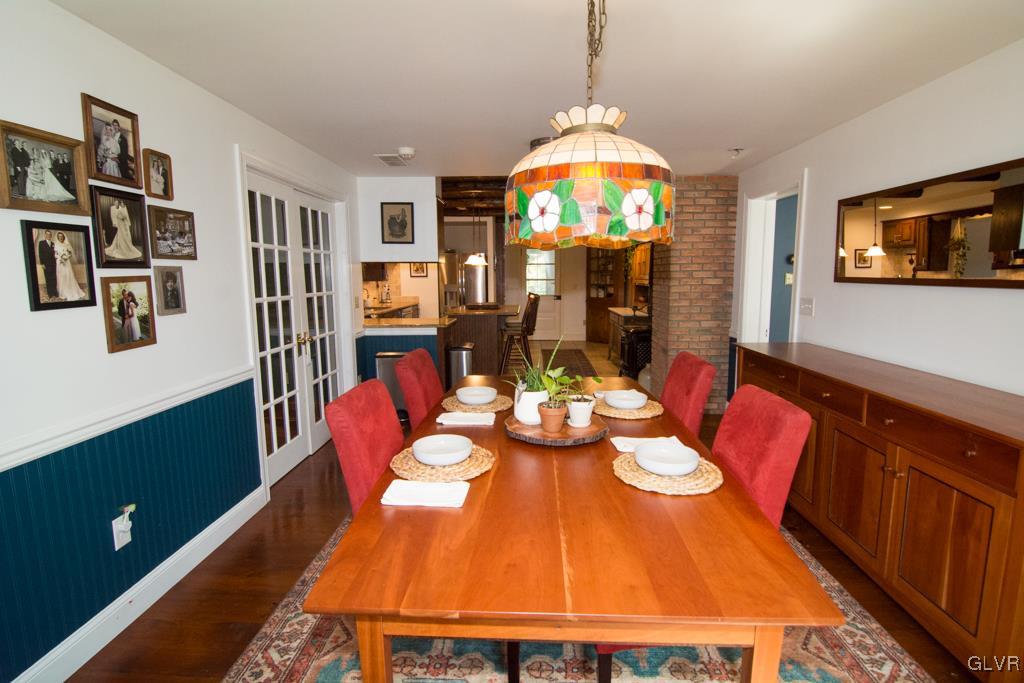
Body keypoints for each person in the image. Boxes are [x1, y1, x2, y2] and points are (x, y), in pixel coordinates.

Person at [53, 232, 86, 301]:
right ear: (58, 237)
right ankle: (62, 293)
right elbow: (55, 255)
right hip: (59, 262)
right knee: (61, 276)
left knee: (68, 275)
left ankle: (69, 291)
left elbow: (70, 254)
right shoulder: (56, 245)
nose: (60, 238)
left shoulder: (66, 244)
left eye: (61, 236)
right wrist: (60, 258)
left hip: (66, 262)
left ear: (63, 237)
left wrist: (66, 257)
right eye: (59, 236)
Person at [36, 229, 58, 299]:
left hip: (53, 264)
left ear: (51, 236)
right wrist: (42, 264)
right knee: (48, 278)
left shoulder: (53, 243)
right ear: (45, 235)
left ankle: (55, 292)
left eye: (50, 234)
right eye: (47, 234)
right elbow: (40, 254)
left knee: (54, 278)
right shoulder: (41, 243)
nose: (48, 236)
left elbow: (55, 253)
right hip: (46, 264)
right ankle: (50, 293)